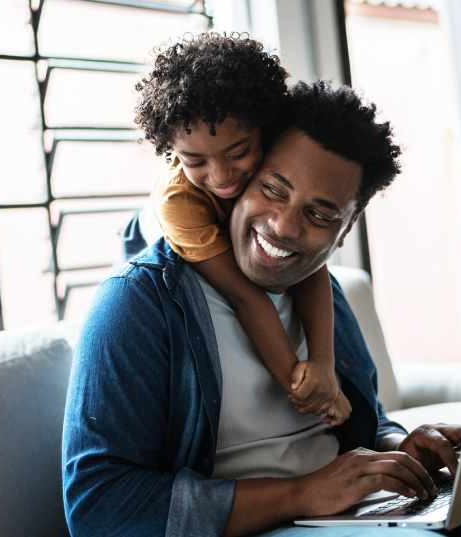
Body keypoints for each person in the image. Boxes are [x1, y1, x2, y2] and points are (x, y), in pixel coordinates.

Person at [62, 81, 461, 537]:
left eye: (320, 214)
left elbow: (360, 422)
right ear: (237, 182)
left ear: (347, 229)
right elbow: (98, 506)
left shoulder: (320, 291)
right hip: (258, 525)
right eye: (274, 190)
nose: (284, 228)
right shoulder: (140, 303)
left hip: (350, 516)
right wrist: (303, 493)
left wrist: (400, 446)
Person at [133, 33, 349, 423]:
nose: (221, 176)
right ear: (171, 149)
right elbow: (245, 296)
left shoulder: (273, 169)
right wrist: (306, 388)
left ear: (264, 131)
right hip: (157, 234)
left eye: (238, 152)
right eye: (194, 160)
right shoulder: (179, 199)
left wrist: (323, 362)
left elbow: (312, 269)